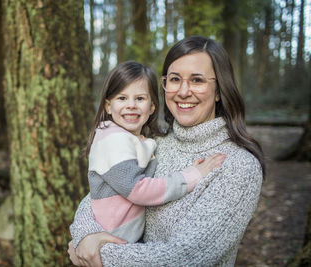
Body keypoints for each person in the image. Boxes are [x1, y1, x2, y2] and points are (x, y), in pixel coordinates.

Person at [68, 36, 265, 267]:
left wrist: (96, 255)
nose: (183, 91)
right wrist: (85, 237)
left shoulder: (238, 166)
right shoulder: (154, 143)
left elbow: (184, 258)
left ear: (220, 90)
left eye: (197, 80)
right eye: (174, 79)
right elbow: (99, 195)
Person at [83, 61, 226, 244]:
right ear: (108, 106)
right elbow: (138, 190)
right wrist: (191, 176)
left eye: (140, 99)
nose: (131, 105)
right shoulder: (113, 140)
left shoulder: (134, 139)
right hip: (113, 245)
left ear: (151, 108)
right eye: (122, 98)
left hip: (123, 242)